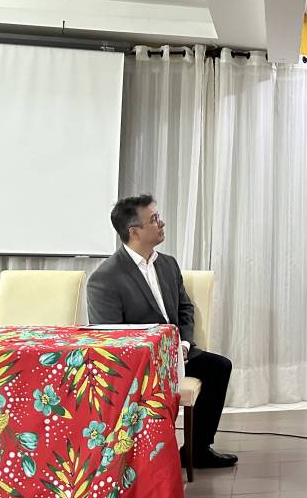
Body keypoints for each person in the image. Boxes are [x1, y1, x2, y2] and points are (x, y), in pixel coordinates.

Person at [88, 195, 238, 469]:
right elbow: (110, 340)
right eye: (154, 219)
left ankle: (197, 450)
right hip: (142, 364)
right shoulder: (105, 278)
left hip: (178, 353)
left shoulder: (167, 264)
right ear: (134, 232)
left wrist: (185, 344)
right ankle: (145, 458)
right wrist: (159, 353)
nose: (162, 223)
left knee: (219, 367)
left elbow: (185, 309)